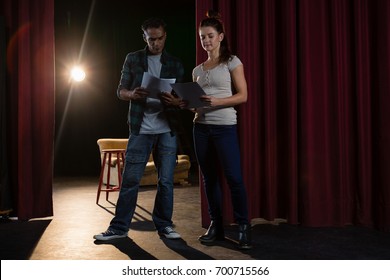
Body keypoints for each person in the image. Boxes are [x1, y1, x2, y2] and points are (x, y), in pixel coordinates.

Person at [94, 17, 184, 241]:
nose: (155, 43)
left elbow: (182, 99)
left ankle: (164, 225)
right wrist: (132, 94)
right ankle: (119, 228)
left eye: (159, 38)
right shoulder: (133, 59)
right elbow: (120, 91)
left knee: (165, 181)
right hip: (141, 128)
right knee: (130, 180)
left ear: (165, 36)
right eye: (151, 39)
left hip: (166, 128)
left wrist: (175, 102)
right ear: (144, 37)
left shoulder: (175, 63)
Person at [192, 10, 252, 249]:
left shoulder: (232, 62)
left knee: (234, 178)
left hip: (224, 127)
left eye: (209, 36)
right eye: (202, 37)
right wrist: (186, 104)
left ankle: (243, 227)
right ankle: (216, 225)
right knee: (209, 179)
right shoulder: (197, 70)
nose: (205, 40)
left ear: (220, 36)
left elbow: (243, 96)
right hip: (200, 128)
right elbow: (197, 102)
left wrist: (217, 102)